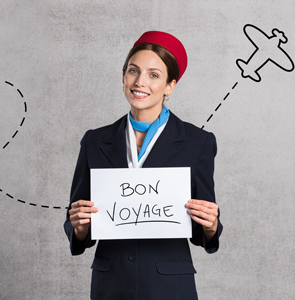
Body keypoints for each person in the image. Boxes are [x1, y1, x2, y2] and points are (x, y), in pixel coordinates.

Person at [64, 31, 223, 300]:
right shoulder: (94, 141)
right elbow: (78, 220)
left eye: (153, 74)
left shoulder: (198, 142)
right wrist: (78, 227)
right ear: (123, 76)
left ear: (170, 85)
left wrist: (210, 225)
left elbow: (203, 229)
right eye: (133, 71)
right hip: (110, 285)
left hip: (169, 287)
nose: (140, 82)